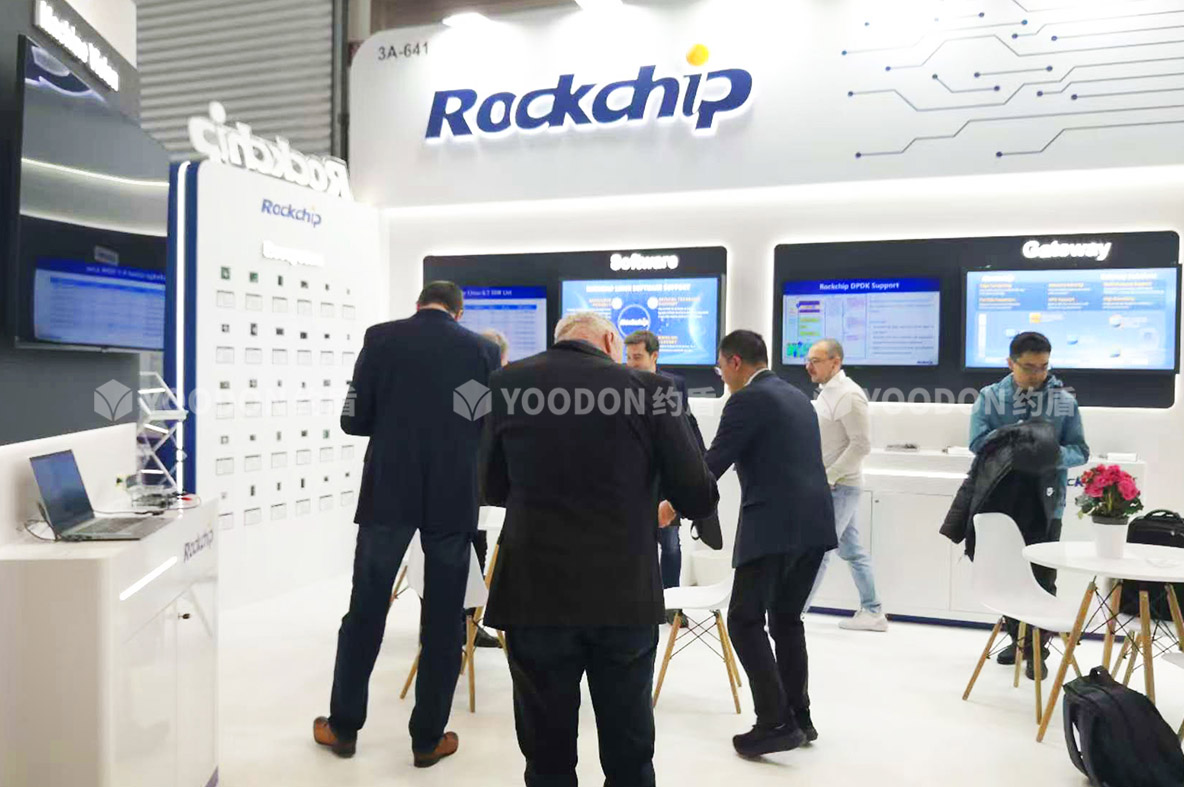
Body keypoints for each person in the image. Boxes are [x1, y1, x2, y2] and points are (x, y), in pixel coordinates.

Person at [483, 312, 719, 787]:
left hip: (533, 593)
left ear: (559, 340)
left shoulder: (504, 384)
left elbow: (488, 485)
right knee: (629, 751)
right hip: (623, 594)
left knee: (546, 758)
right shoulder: (652, 391)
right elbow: (697, 494)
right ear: (611, 340)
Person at [314, 281, 501, 767]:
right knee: (443, 619)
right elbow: (481, 422)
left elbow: (353, 420)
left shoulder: (381, 338)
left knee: (365, 610)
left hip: (388, 491)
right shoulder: (480, 350)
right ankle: (427, 739)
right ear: (458, 312)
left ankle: (343, 728)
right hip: (452, 495)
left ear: (418, 305)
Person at [705, 330, 837, 758]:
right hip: (814, 525)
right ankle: (800, 717)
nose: (723, 376)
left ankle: (775, 722)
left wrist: (671, 503)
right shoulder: (797, 396)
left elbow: (713, 463)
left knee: (744, 620)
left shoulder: (746, 399)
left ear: (735, 362)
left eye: (721, 367)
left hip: (774, 527)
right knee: (786, 620)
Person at [967, 331, 1088, 675]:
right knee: (1004, 577)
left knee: (1042, 578)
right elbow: (977, 443)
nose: (1038, 374)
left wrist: (1047, 454)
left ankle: (1037, 651)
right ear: (1011, 363)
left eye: (1044, 367)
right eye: (1029, 367)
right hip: (1001, 502)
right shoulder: (991, 397)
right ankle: (1019, 640)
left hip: (1047, 504)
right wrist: (1018, 442)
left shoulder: (1064, 401)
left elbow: (1080, 450)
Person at [800, 339, 887, 632]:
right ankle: (873, 610)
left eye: (815, 360)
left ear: (835, 362)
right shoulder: (828, 393)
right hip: (832, 485)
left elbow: (861, 445)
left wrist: (829, 477)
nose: (808, 366)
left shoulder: (849, 395)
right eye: (808, 360)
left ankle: (793, 614)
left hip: (840, 487)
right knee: (851, 549)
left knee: (819, 549)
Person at [624, 329, 705, 627]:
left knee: (670, 544)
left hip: (666, 477)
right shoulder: (620, 384)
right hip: (633, 477)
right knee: (633, 542)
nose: (631, 363)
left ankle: (671, 604)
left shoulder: (673, 385)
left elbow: (683, 428)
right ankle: (638, 603)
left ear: (654, 356)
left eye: (637, 357)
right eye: (628, 357)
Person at [468, 327, 511, 649]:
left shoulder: (466, 388)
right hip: (476, 486)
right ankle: (467, 624)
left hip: (464, 485)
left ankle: (463, 623)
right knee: (475, 552)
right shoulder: (496, 391)